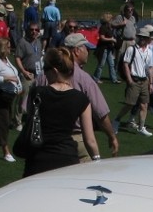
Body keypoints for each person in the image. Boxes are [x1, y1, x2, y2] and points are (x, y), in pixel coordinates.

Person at [21, 47, 100, 177]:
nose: (44, 74)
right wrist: (97, 160)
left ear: (54, 71)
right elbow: (90, 140)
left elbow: (30, 120)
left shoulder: (37, 93)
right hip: (67, 158)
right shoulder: (81, 99)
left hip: (37, 158)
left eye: (46, 69)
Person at [113, 26, 153, 137]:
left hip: (144, 81)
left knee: (144, 105)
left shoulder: (149, 52)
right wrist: (129, 79)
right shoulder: (131, 49)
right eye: (140, 37)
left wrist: (151, 82)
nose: (142, 39)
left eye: (144, 37)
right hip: (134, 80)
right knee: (129, 104)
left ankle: (141, 127)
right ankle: (116, 120)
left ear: (147, 39)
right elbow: (125, 64)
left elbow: (150, 68)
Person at [14, 21, 43, 130]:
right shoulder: (22, 42)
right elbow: (17, 58)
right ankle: (17, 121)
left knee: (36, 98)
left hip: (38, 74)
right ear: (27, 30)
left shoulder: (38, 42)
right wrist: (23, 71)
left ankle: (31, 118)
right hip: (27, 73)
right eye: (31, 29)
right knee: (23, 97)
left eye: (36, 30)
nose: (34, 32)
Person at [92, 12, 118, 83]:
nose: (112, 20)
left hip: (109, 48)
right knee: (101, 64)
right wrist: (111, 39)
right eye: (111, 19)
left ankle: (114, 79)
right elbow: (102, 38)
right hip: (103, 48)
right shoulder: (103, 28)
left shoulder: (109, 27)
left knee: (111, 64)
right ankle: (96, 78)